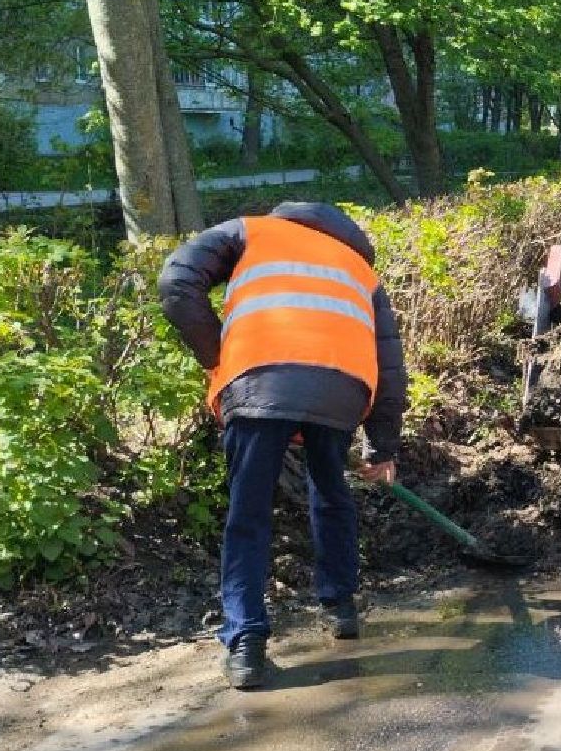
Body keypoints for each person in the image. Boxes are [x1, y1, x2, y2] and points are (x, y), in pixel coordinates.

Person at [159, 201, 407, 690]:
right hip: (342, 390)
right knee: (330, 490)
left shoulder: (248, 231)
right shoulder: (360, 269)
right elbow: (390, 363)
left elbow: (176, 282)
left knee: (248, 514)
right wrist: (383, 447)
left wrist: (220, 358)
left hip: (258, 381)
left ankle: (246, 643)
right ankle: (342, 607)